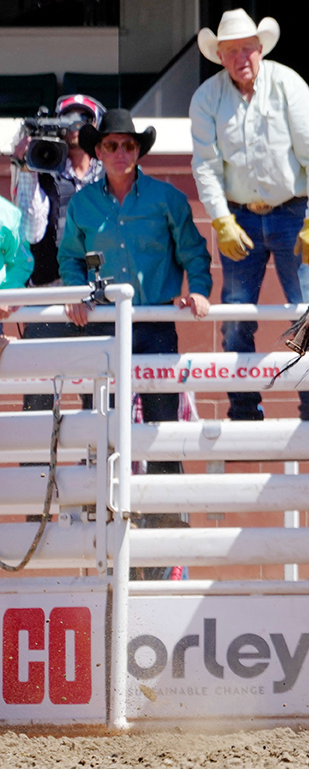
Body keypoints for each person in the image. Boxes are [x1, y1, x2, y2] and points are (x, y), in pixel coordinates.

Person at [58, 109, 211, 576]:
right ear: (97, 151)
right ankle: (103, 535)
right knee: (101, 428)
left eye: (128, 145)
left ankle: (167, 545)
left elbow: (192, 250)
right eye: (110, 146)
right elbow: (70, 258)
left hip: (154, 324)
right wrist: (76, 297)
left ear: (138, 151)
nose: (120, 153)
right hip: (101, 327)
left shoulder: (168, 198)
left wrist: (199, 288)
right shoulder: (83, 205)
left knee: (162, 429)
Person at [190, 7, 309, 422]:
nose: (242, 58)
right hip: (240, 217)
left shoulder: (288, 84)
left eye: (248, 49)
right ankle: (243, 411)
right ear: (220, 55)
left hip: (293, 212)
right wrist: (220, 219)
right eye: (232, 51)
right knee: (236, 317)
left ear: (260, 49)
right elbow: (206, 166)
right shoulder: (206, 98)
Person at [10, 95, 108, 401]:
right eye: (68, 119)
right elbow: (31, 231)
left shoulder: (112, 175)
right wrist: (27, 169)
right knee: (38, 396)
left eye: (84, 118)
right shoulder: (44, 167)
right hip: (50, 296)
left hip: (100, 298)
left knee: (103, 398)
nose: (76, 125)